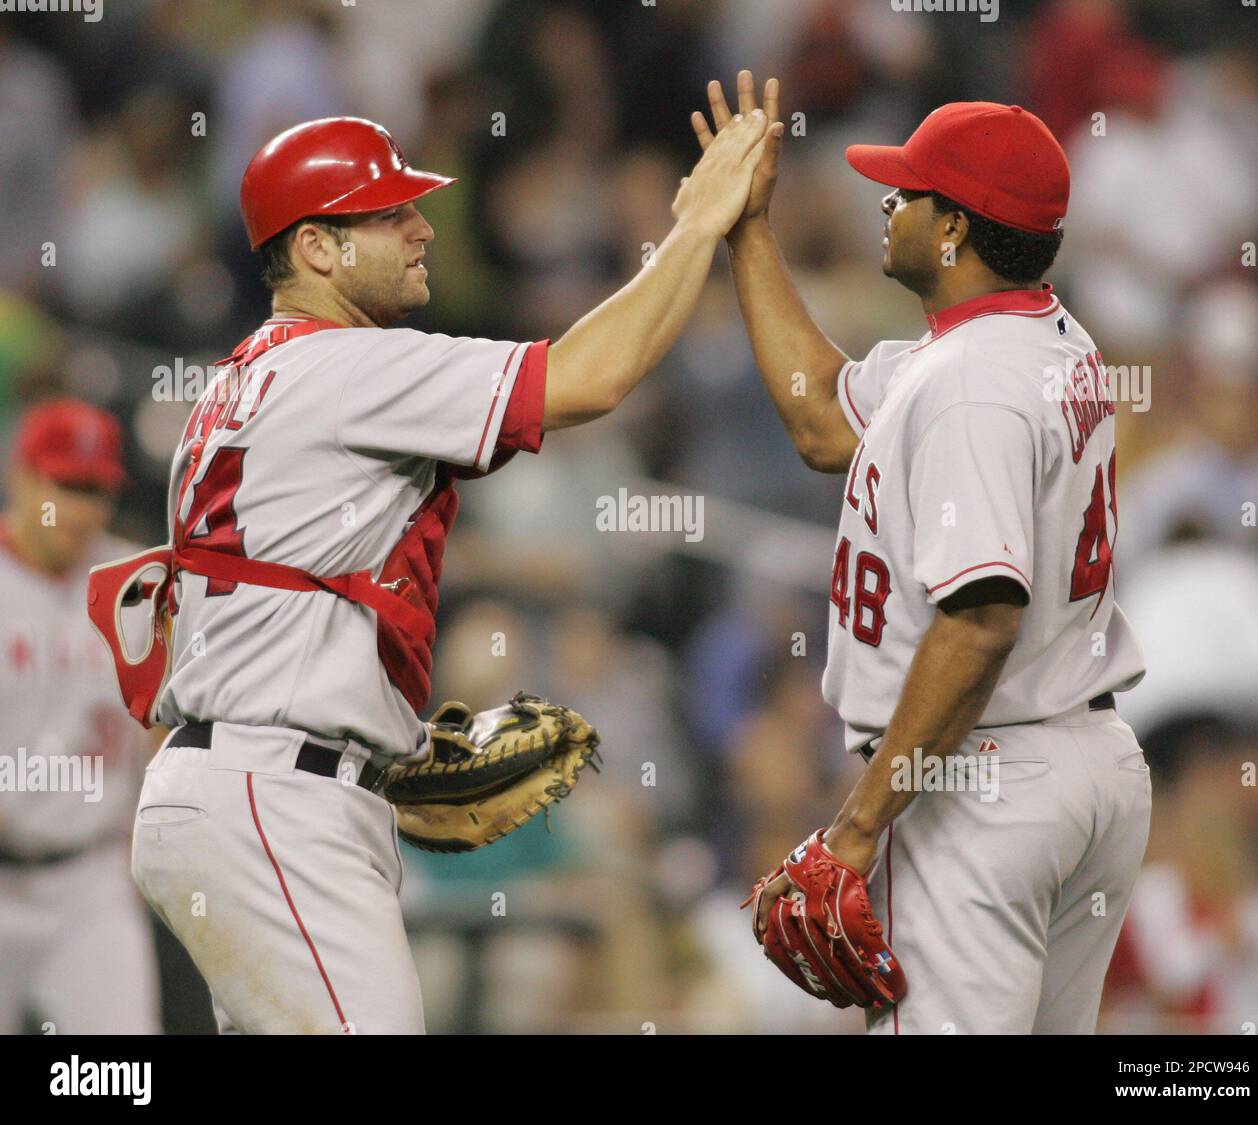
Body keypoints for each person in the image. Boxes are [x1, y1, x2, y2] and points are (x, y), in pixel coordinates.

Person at [114, 111, 769, 1034]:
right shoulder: (347, 366)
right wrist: (698, 223)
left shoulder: (231, 385)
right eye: (388, 213)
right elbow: (589, 378)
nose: (422, 229)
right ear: (316, 248)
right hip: (278, 798)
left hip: (240, 786)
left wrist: (390, 743)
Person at [701, 72, 1151, 1033]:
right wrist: (748, 230)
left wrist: (856, 828)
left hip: (985, 776)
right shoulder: (1028, 341)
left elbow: (982, 617)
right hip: (1076, 760)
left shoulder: (971, 385)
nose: (887, 202)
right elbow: (824, 419)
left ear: (954, 229)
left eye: (908, 191)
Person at [0, 399, 160, 1034]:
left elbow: (165, 723)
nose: (83, 510)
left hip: (90, 884)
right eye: (66, 485)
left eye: (97, 491)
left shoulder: (135, 586)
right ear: (22, 478)